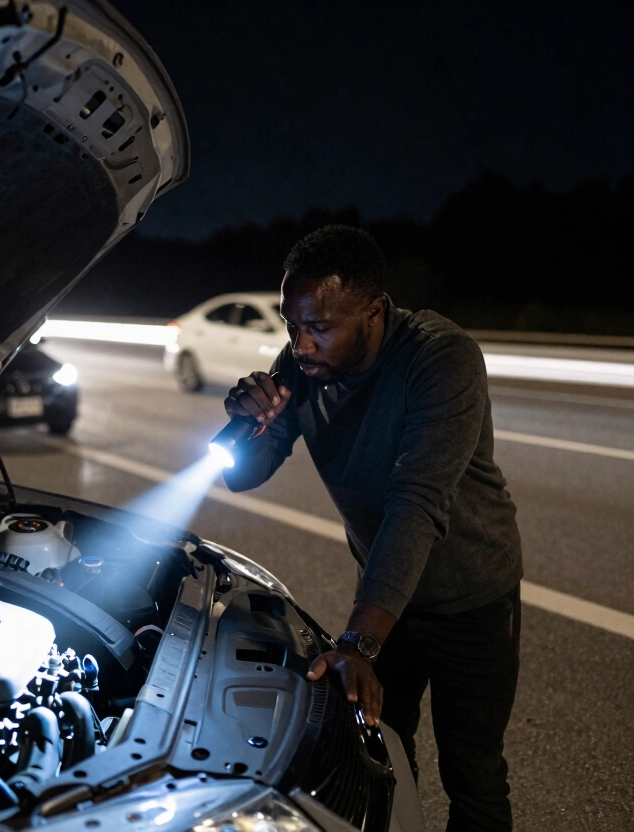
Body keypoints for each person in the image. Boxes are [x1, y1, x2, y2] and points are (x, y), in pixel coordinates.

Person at [223, 225, 522, 831]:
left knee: (474, 774)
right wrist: (242, 425)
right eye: (291, 327)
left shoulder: (441, 358)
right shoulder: (302, 365)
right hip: (390, 599)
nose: (302, 345)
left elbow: (416, 501)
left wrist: (358, 644)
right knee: (381, 754)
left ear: (375, 311)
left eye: (321, 328)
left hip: (472, 597)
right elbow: (243, 476)